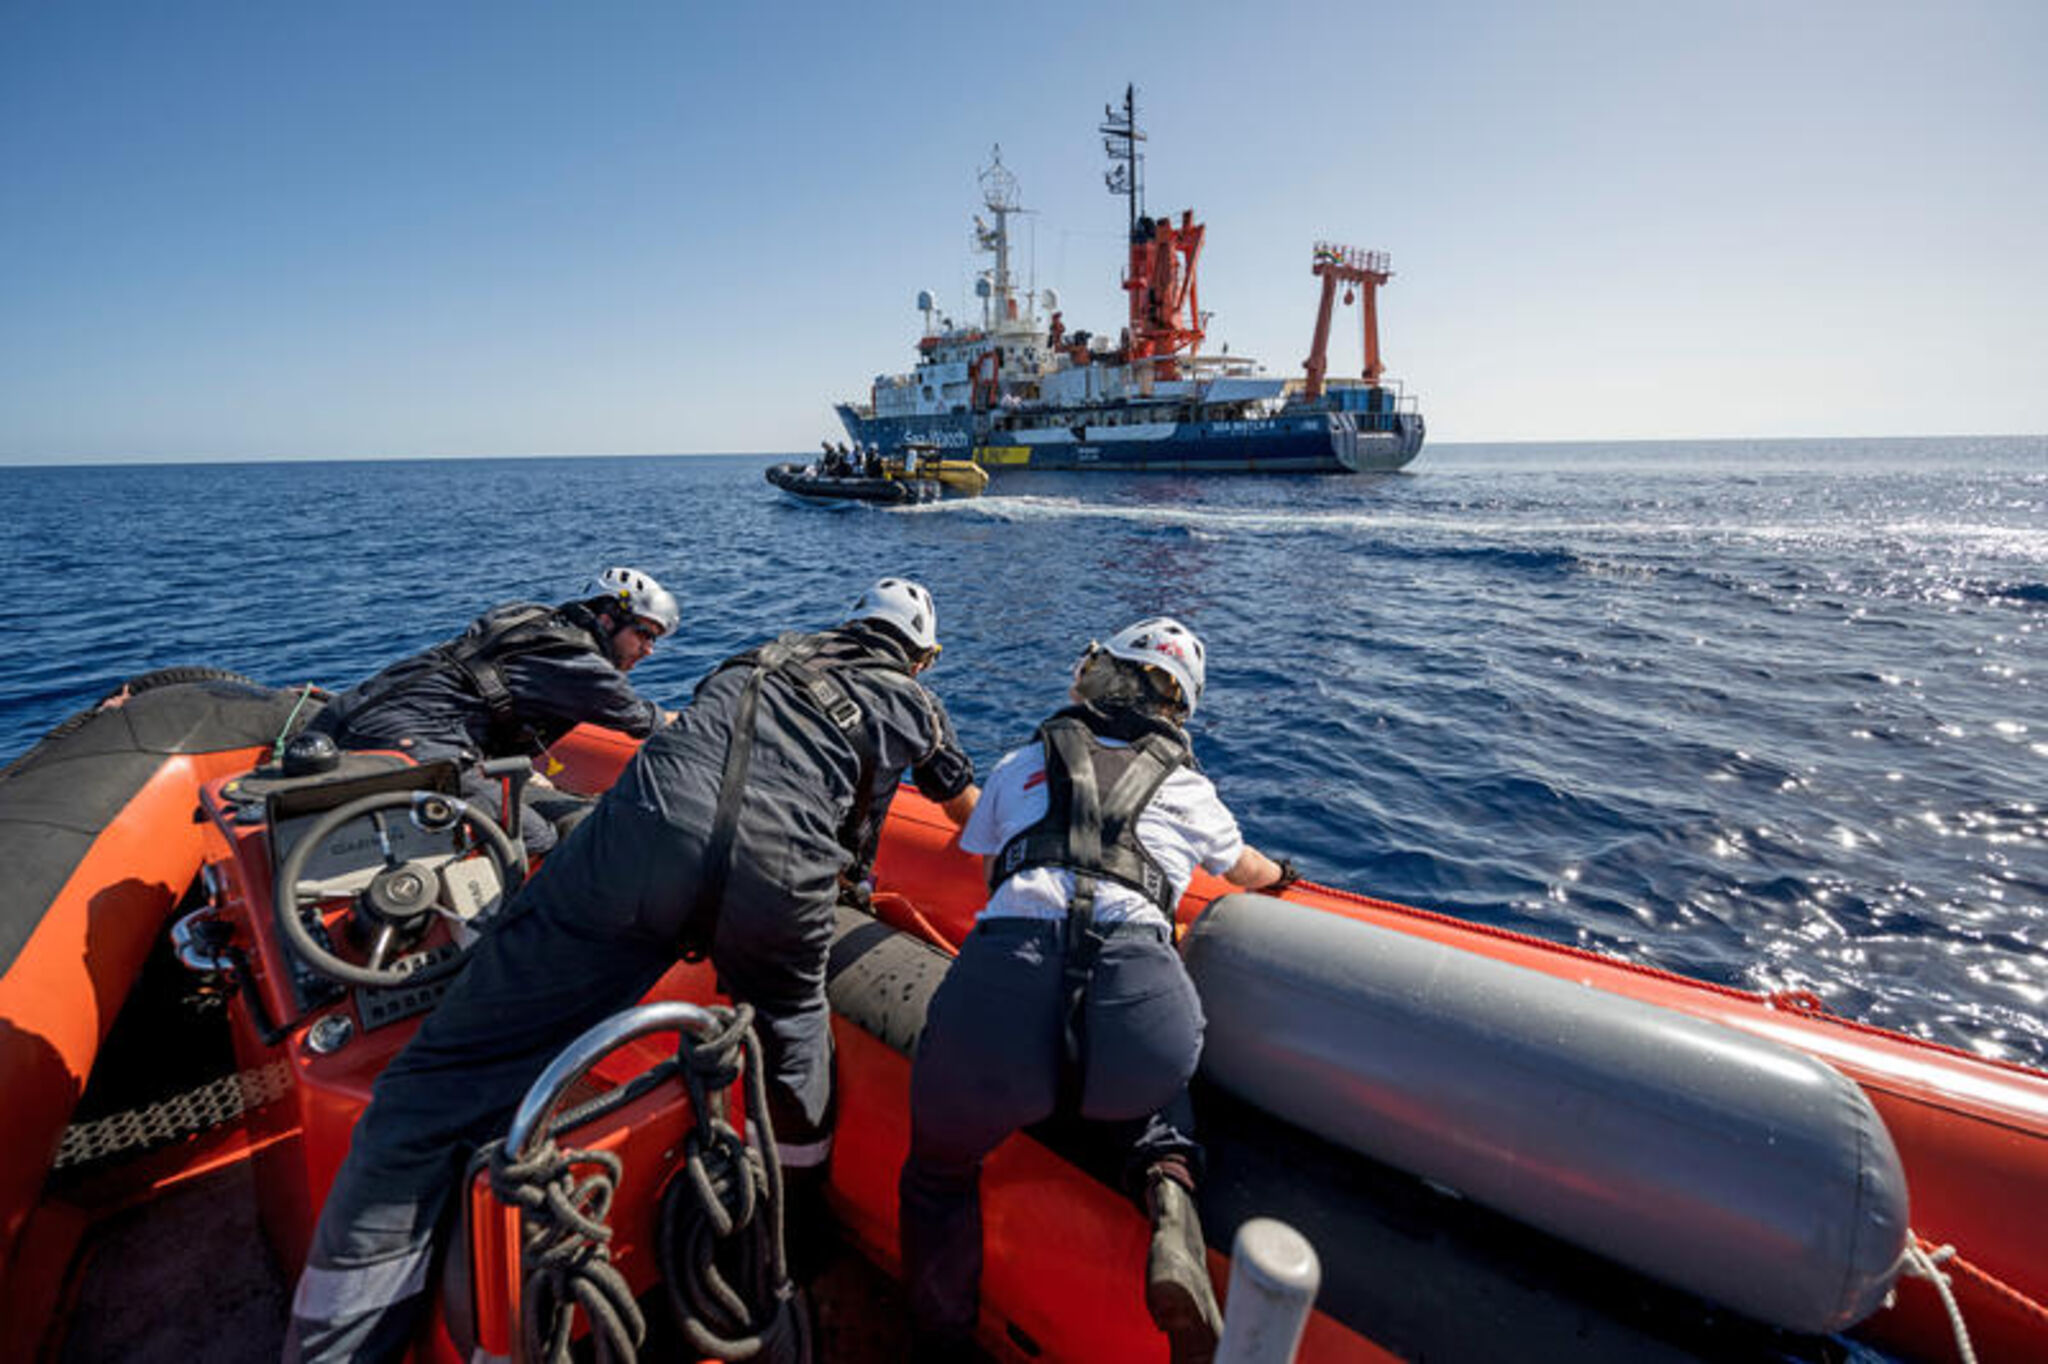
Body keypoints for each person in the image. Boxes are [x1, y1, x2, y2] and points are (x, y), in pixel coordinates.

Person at [286, 577, 980, 1363]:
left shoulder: (757, 658)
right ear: (922, 658)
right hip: (781, 879)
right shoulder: (914, 704)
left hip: (642, 841)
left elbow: (707, 752)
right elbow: (962, 815)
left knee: (438, 1083)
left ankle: (338, 1343)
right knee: (794, 1037)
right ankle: (796, 1234)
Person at [898, 617, 1296, 1364]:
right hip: (1139, 1012)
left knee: (936, 1175)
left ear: (1101, 675)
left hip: (1002, 1002)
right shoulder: (1189, 788)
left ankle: (940, 1343)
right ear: (1178, 706)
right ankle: (1169, 1184)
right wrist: (1286, 878)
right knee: (1155, 1087)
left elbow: (986, 865)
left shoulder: (1022, 764)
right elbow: (1243, 868)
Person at [307, 567, 680, 856]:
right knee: (538, 838)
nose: (648, 650)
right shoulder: (580, 665)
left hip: (350, 713)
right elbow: (644, 721)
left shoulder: (530, 618)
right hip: (406, 743)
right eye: (644, 635)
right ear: (606, 619)